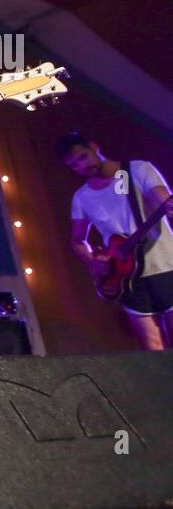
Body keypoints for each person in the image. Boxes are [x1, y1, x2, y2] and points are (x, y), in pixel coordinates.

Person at [57, 132, 173, 349]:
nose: (82, 166)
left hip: (166, 265)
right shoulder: (82, 198)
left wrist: (166, 204)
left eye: (82, 157)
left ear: (93, 146)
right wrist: (93, 261)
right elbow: (77, 241)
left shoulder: (138, 170)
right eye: (74, 165)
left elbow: (161, 197)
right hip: (126, 277)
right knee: (152, 347)